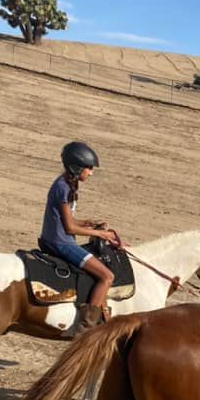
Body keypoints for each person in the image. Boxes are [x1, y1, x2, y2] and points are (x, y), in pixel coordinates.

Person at [38, 141, 121, 330]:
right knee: (107, 276)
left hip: (59, 238)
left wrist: (88, 223)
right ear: (76, 167)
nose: (91, 173)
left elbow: (69, 221)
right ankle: (87, 325)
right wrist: (100, 233)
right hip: (60, 242)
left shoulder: (67, 185)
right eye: (89, 168)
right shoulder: (63, 188)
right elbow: (69, 228)